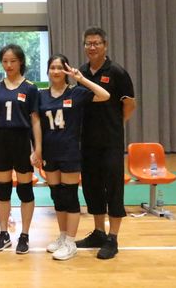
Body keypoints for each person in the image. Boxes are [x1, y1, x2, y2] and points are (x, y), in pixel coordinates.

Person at [40, 54, 110, 261]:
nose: (56, 71)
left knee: (69, 196)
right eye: (52, 67)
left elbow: (105, 95)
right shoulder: (41, 95)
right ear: (48, 71)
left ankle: (71, 242)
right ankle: (63, 236)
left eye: (59, 67)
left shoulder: (76, 92)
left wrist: (81, 79)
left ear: (66, 70)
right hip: (49, 152)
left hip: (69, 152)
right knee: (57, 196)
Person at [76, 27, 136, 259]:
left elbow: (129, 104)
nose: (92, 47)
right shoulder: (81, 73)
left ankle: (113, 238)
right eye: (88, 43)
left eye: (96, 43)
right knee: (92, 187)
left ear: (105, 46)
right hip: (87, 141)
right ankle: (99, 232)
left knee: (113, 188)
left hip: (111, 141)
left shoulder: (117, 72)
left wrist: (115, 125)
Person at [0, 44, 42, 254]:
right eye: (5, 61)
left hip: (21, 140)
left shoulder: (30, 88)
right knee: (2, 189)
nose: (9, 65)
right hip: (1, 140)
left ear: (20, 62)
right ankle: (3, 233)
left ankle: (25, 235)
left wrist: (37, 148)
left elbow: (35, 120)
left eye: (13, 61)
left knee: (25, 189)